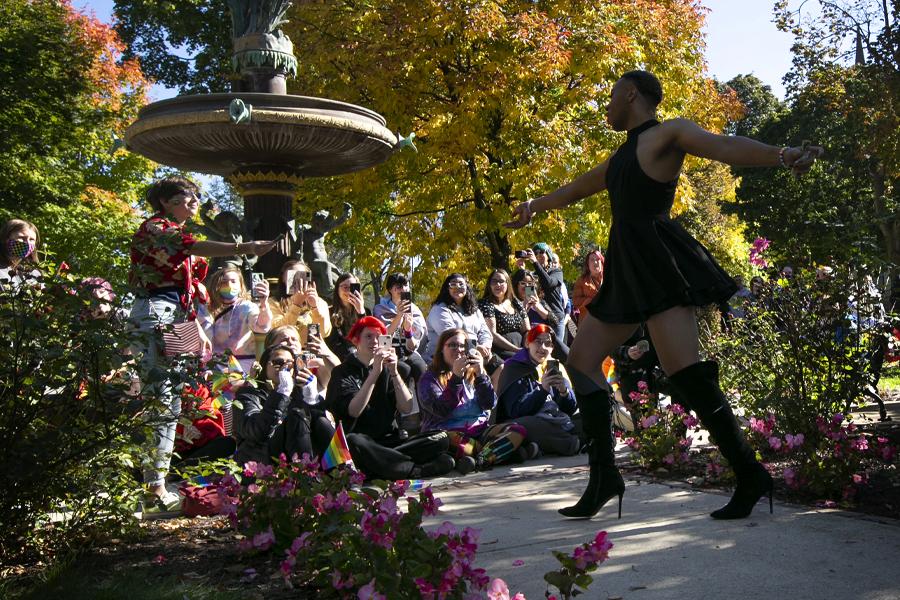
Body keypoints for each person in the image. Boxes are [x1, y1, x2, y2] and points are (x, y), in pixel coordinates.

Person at [505, 70, 822, 520]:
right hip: (626, 268)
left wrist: (783, 154)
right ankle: (603, 477)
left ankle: (750, 474)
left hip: (656, 263)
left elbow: (725, 146)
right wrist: (535, 205)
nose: (608, 104)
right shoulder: (620, 157)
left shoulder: (667, 133)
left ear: (631, 93)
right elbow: (576, 188)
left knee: (686, 373)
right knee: (580, 361)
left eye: (613, 94)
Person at [128, 176, 275, 513]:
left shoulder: (178, 237)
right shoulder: (156, 227)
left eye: (196, 196)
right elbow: (191, 246)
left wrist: (198, 328)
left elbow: (192, 289)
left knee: (177, 399)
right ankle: (153, 485)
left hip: (181, 317)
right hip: (157, 311)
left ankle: (158, 482)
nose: (194, 202)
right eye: (186, 196)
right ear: (165, 201)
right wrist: (245, 249)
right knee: (160, 397)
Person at [326, 316, 455, 480]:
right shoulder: (342, 372)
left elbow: (406, 408)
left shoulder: (392, 369)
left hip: (392, 441)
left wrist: (394, 372)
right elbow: (354, 411)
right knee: (354, 443)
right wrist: (374, 374)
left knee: (441, 438)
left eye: (378, 337)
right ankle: (413, 469)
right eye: (368, 336)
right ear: (355, 340)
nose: (374, 341)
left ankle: (381, 467)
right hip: (362, 442)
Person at [418, 329, 529, 473]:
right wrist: (456, 378)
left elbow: (489, 404)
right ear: (441, 350)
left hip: (479, 431)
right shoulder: (429, 378)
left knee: (517, 430)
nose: (459, 350)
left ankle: (480, 459)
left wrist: (481, 374)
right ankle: (498, 454)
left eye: (463, 345)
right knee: (449, 440)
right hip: (449, 432)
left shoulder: (473, 373)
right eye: (452, 345)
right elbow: (441, 410)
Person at [233, 344, 334, 465]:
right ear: (265, 365)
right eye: (278, 362)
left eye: (291, 363)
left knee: (321, 421)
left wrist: (312, 399)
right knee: (296, 415)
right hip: (262, 459)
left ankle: (343, 472)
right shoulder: (247, 394)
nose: (284, 367)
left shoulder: (298, 393)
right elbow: (257, 432)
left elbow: (316, 427)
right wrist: (282, 393)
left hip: (293, 453)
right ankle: (304, 474)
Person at [497, 324, 581, 457]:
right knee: (536, 425)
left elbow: (569, 410)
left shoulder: (552, 366)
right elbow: (515, 410)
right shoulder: (514, 368)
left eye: (547, 343)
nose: (542, 348)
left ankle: (545, 447)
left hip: (553, 418)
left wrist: (564, 392)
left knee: (586, 416)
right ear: (527, 343)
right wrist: (543, 390)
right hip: (521, 420)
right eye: (537, 342)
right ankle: (574, 443)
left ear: (552, 348)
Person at [424, 273, 493, 365]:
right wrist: (474, 347)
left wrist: (485, 346)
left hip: (475, 354)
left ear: (467, 287)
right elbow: (451, 336)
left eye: (461, 284)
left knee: (502, 366)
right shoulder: (439, 309)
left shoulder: (474, 310)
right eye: (453, 284)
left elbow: (484, 331)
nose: (457, 287)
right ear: (447, 288)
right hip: (447, 356)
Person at [372, 272, 429, 383]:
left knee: (421, 368)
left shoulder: (415, 310)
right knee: (404, 369)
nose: (403, 290)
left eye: (405, 286)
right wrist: (399, 316)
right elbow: (383, 338)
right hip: (388, 350)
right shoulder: (380, 309)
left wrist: (408, 331)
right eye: (398, 287)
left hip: (408, 351)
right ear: (390, 290)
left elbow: (414, 346)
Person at [516, 243, 569, 358]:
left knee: (556, 351)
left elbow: (549, 283)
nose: (538, 255)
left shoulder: (556, 272)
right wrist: (522, 271)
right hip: (540, 316)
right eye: (536, 253)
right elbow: (530, 294)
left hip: (555, 318)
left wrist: (535, 263)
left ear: (548, 255)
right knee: (541, 352)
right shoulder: (533, 274)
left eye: (542, 252)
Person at [269, 259, 332, 343]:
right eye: (292, 275)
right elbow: (278, 331)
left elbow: (324, 332)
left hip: (311, 351)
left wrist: (315, 307)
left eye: (302, 275)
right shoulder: (273, 302)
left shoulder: (320, 302)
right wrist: (296, 305)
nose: (297, 280)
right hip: (285, 350)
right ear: (283, 278)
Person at [265, 324, 340, 393]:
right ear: (271, 346)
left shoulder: (313, 364)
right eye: (284, 340)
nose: (291, 342)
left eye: (294, 339)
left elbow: (340, 375)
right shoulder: (269, 365)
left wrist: (326, 352)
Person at [478, 269, 530, 359]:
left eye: (501, 281)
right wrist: (517, 350)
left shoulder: (515, 302)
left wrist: (526, 348)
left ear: (507, 284)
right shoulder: (486, 304)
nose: (498, 284)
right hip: (500, 351)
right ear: (489, 285)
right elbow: (492, 334)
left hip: (522, 347)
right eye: (494, 281)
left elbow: (526, 330)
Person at [327, 272, 369, 362]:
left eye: (353, 287)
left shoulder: (366, 312)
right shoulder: (329, 312)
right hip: (339, 358)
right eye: (345, 287)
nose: (349, 291)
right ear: (337, 289)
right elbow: (332, 342)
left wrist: (361, 313)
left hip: (362, 355)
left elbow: (368, 336)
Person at [0, 219, 41, 290]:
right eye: (22, 238)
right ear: (6, 239)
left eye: (31, 239)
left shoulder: (34, 273)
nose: (27, 243)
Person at [572, 249, 604, 325]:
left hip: (607, 321)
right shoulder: (582, 280)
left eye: (598, 259)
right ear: (588, 264)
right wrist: (591, 300)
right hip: (588, 322)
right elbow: (575, 301)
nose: (595, 262)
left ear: (602, 262)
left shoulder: (610, 278)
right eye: (592, 260)